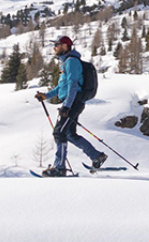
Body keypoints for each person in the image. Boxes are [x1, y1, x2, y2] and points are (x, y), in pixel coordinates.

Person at [35, 36, 107, 177]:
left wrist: (67, 107)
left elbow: (73, 86)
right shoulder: (65, 63)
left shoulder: (71, 62)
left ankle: (59, 168)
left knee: (59, 132)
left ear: (66, 46)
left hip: (73, 102)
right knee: (69, 134)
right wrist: (46, 96)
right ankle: (96, 156)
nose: (54, 47)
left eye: (57, 44)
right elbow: (62, 87)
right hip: (72, 102)